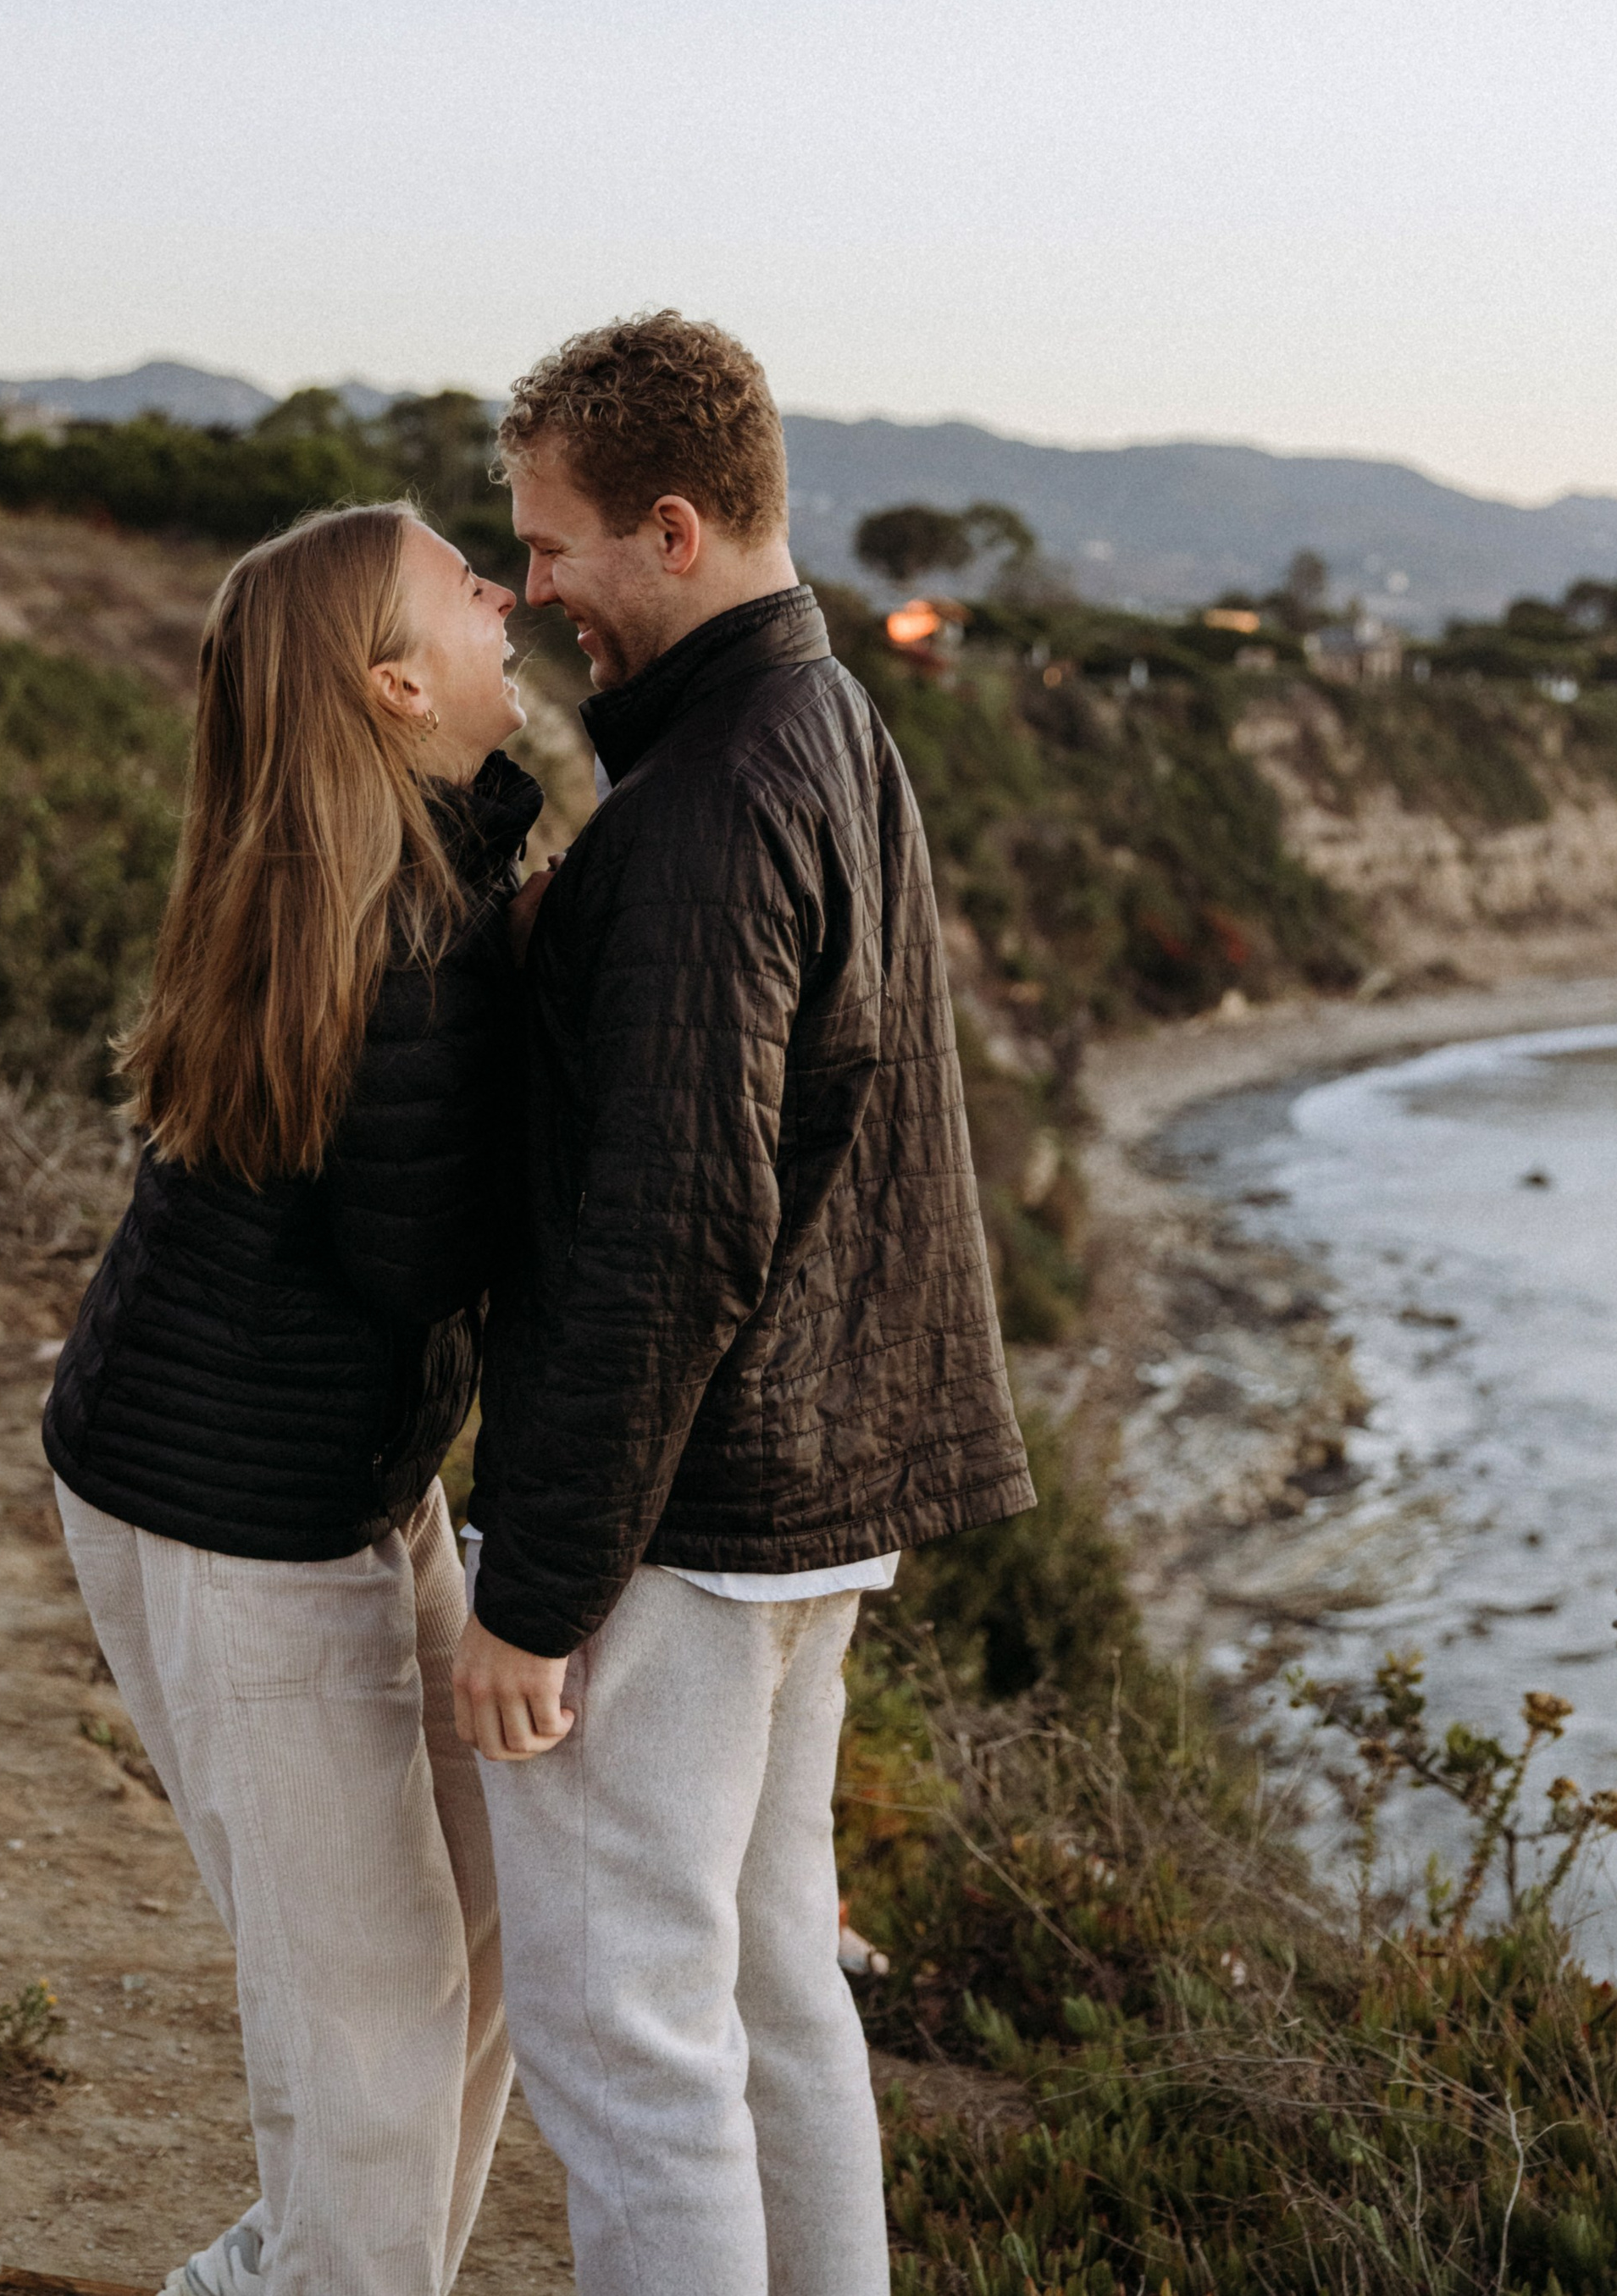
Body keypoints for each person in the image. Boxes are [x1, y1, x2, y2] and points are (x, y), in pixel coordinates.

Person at [455, 311, 1034, 2296]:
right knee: (775, 1984)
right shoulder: (824, 726)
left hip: (689, 1517)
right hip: (811, 1498)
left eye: (551, 546)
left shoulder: (707, 800)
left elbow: (671, 1227)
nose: (532, 589)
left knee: (630, 2035)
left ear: (676, 527)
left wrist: (532, 1589)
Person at [43, 502, 542, 2296]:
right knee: (369, 2009)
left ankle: (308, 2267)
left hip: (327, 1477)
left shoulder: (386, 865)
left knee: (475, 1934)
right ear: (393, 680)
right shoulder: (392, 935)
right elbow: (432, 1258)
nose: (505, 591)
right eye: (462, 581)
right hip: (232, 1514)